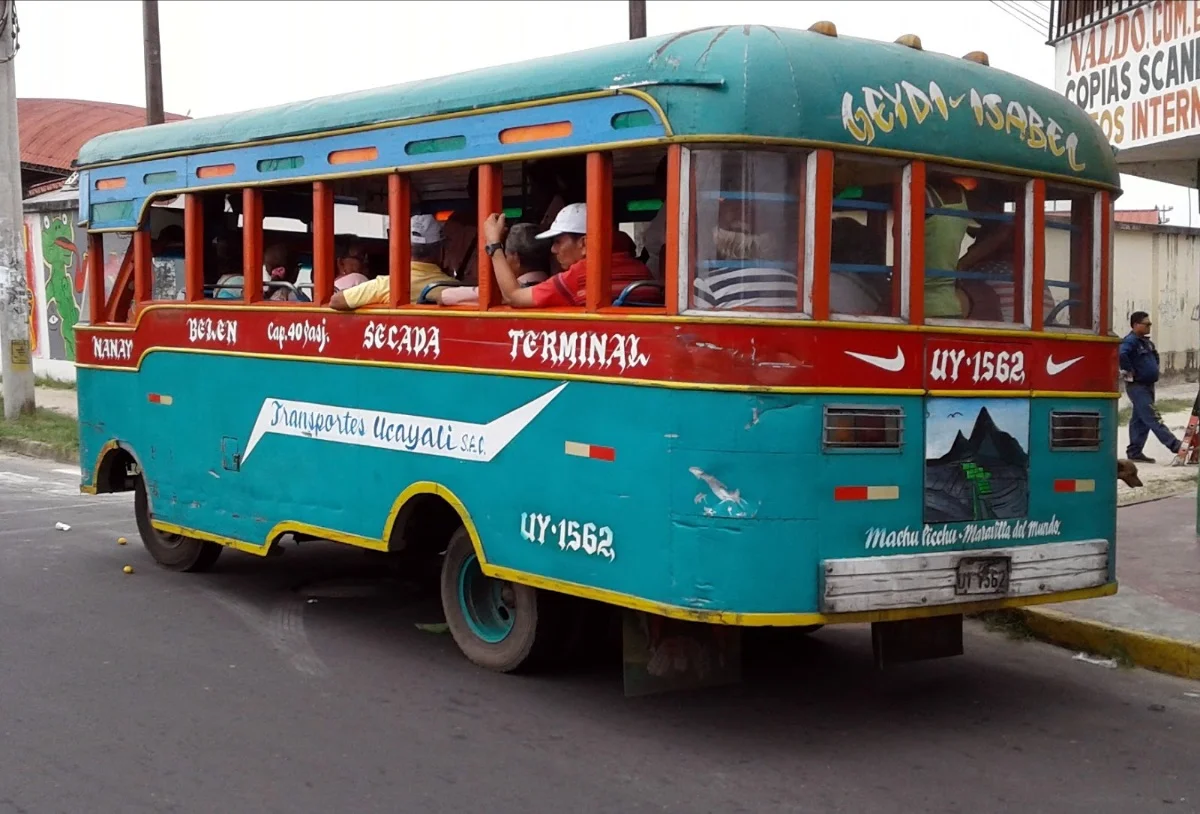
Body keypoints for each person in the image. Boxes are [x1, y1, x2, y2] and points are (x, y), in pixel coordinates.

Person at [480, 203, 653, 307]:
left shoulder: (579, 275)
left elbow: (513, 296)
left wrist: (494, 244)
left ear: (584, 244)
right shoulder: (641, 269)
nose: (553, 250)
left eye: (558, 241)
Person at [330, 214, 461, 309]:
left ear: (403, 248)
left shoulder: (385, 285)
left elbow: (336, 301)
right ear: (441, 250)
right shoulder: (455, 287)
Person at [1120, 310, 1181, 463]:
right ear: (1135, 325)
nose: (1149, 327)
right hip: (1137, 386)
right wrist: (1129, 370)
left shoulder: (1146, 343)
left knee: (1140, 420)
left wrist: (1153, 368)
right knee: (1153, 417)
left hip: (1148, 385)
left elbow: (1155, 356)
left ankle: (1134, 452)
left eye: (1150, 324)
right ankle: (1176, 446)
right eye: (1146, 324)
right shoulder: (1130, 341)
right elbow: (1121, 354)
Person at [439, 223, 550, 306]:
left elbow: (444, 296)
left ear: (515, 258)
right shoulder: (552, 286)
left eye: (505, 256)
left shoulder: (506, 292)